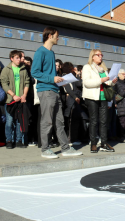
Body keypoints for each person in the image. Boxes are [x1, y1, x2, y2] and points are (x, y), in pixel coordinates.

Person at [31, 27, 82, 158]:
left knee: (59, 122)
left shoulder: (51, 53)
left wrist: (59, 81)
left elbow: (50, 74)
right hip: (45, 91)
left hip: (54, 90)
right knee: (47, 121)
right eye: (56, 35)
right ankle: (45, 149)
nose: (58, 38)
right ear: (49, 36)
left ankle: (65, 148)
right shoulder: (40, 52)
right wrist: (52, 78)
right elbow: (35, 72)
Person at [82, 48, 117, 153]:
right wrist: (101, 80)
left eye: (102, 55)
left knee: (104, 121)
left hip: (103, 97)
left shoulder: (103, 69)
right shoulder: (87, 67)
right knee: (94, 121)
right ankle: (93, 144)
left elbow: (107, 83)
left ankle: (103, 144)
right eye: (98, 55)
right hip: (92, 97)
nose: (101, 57)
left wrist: (112, 81)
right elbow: (87, 83)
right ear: (93, 56)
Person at [0, 50, 30, 149]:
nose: (19, 60)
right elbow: (4, 84)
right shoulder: (6, 69)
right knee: (9, 121)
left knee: (19, 121)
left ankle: (18, 140)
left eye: (20, 58)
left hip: (21, 100)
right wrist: (13, 95)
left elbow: (27, 82)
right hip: (10, 100)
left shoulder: (23, 69)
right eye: (17, 58)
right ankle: (9, 140)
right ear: (11, 58)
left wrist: (24, 95)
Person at [62, 62, 86, 145]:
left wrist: (77, 76)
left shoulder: (72, 76)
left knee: (76, 119)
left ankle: (74, 138)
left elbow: (79, 83)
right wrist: (75, 97)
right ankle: (71, 139)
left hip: (74, 98)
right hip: (71, 99)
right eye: (72, 68)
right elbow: (68, 88)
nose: (74, 69)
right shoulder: (66, 76)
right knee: (71, 119)